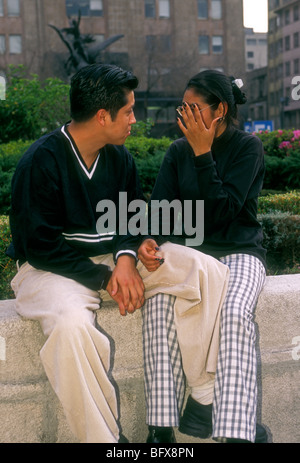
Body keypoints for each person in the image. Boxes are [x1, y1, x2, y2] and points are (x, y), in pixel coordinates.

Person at [7, 64, 229, 443]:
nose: (133, 119)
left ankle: (203, 396)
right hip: (49, 270)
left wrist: (130, 252)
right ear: (102, 116)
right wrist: (108, 277)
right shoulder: (40, 161)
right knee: (71, 328)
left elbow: (131, 217)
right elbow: (40, 246)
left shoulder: (118, 157)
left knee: (206, 269)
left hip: (111, 262)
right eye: (128, 111)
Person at [138, 70, 268, 443]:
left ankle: (236, 432)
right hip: (191, 257)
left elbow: (222, 214)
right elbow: (160, 214)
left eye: (194, 109)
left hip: (239, 251)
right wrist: (148, 240)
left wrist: (202, 153)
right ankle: (160, 429)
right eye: (183, 108)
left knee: (234, 313)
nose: (185, 117)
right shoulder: (177, 151)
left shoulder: (247, 148)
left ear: (220, 110)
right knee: (159, 306)